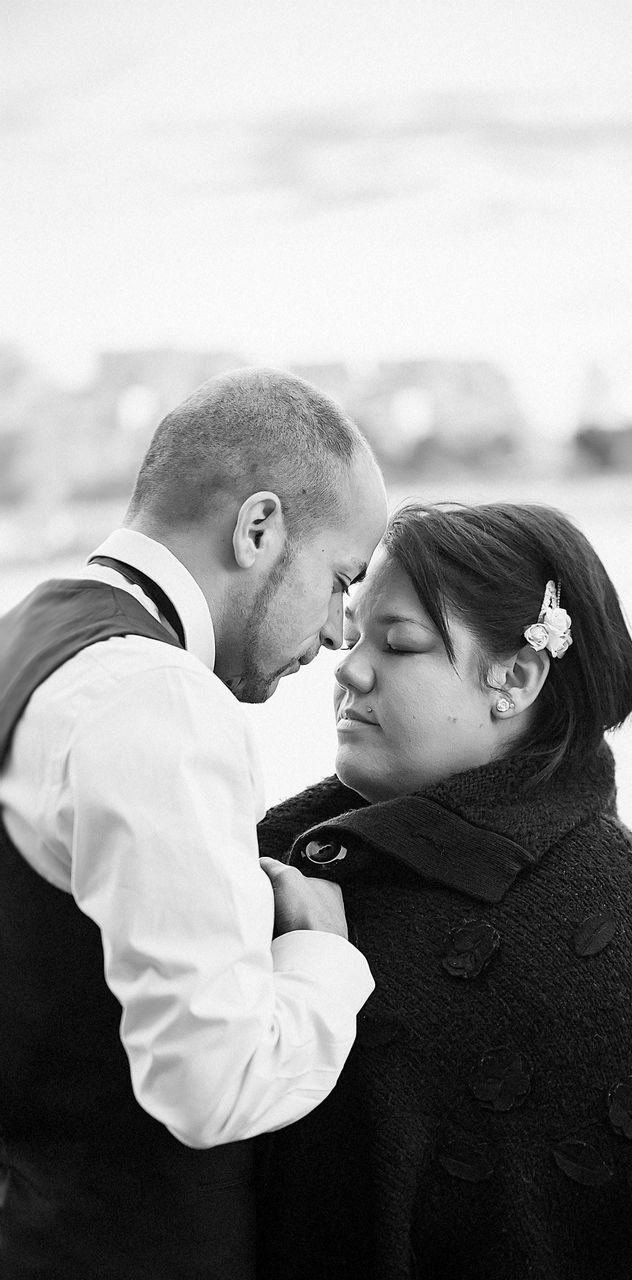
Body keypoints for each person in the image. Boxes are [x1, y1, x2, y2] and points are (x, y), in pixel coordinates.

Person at [255, 500, 632, 1280]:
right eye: (357, 629)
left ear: (518, 677)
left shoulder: (614, 950)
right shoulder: (307, 851)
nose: (349, 665)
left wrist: (315, 963)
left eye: (400, 644)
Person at [0, 368, 388, 1279]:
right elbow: (212, 1086)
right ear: (259, 530)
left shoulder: (25, 639)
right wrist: (321, 955)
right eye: (340, 580)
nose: (341, 632)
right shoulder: (156, 703)